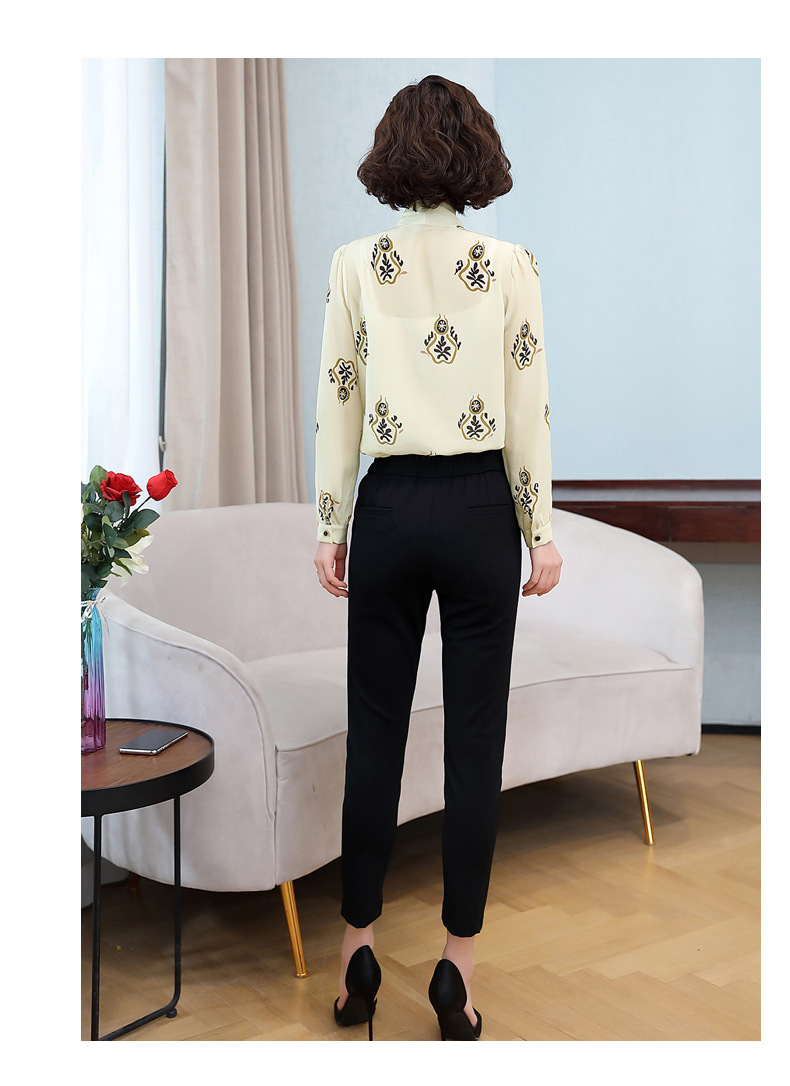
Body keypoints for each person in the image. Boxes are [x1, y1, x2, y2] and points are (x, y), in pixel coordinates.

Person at [313, 74, 562, 1041]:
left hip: (387, 505)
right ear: (477, 156)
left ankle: (357, 954)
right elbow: (528, 408)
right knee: (475, 744)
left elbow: (339, 400)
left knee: (373, 737)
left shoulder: (354, 264)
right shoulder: (512, 265)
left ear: (392, 154)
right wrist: (539, 531)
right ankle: (457, 969)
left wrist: (331, 524)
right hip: (478, 510)